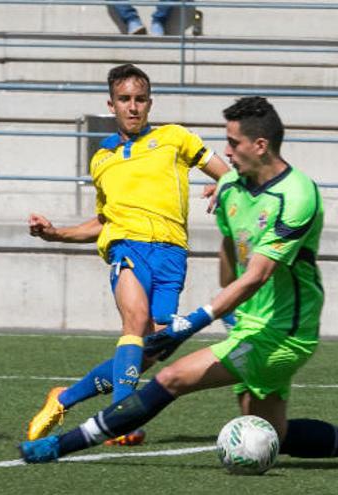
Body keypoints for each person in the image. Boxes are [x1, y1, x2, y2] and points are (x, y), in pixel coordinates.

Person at [20, 97, 338, 472]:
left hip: (285, 333)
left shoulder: (297, 196)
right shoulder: (230, 187)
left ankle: (61, 445)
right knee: (272, 433)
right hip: (250, 325)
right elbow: (230, 260)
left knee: (170, 378)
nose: (225, 152)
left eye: (234, 144)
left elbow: (257, 274)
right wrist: (226, 306)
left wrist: (193, 322)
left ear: (260, 146)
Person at [26, 63, 229, 445]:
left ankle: (64, 398)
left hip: (172, 255)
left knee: (150, 351)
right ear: (111, 104)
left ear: (150, 103)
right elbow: (105, 221)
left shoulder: (176, 138)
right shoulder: (101, 158)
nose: (132, 107)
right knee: (134, 321)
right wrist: (55, 234)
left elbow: (229, 173)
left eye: (139, 100)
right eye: (124, 100)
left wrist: (225, 186)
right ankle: (121, 421)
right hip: (127, 247)